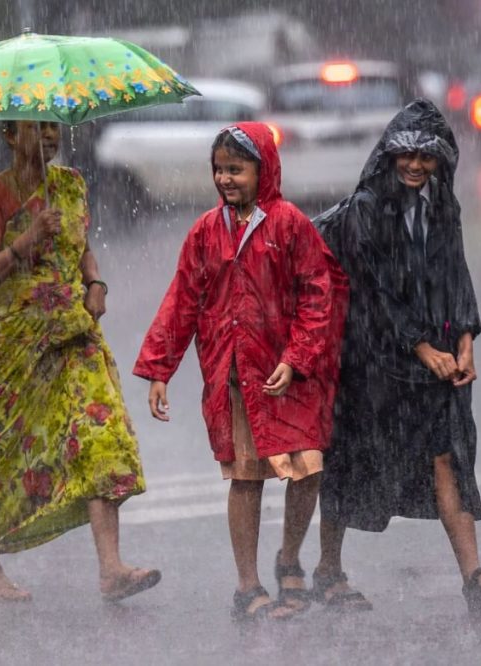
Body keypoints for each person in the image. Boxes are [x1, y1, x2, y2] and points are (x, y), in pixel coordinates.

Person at [312, 99, 481, 613]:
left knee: (447, 455)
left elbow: (456, 273)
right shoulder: (366, 208)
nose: (414, 165)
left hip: (435, 357)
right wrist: (422, 347)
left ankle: (474, 577)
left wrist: (466, 339)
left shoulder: (441, 204)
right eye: (405, 154)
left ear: (440, 162)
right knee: (351, 460)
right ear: (388, 155)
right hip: (373, 361)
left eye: (426, 158)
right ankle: (327, 570)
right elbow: (376, 289)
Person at [134, 123, 347, 620]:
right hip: (236, 377)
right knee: (246, 477)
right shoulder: (206, 232)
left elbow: (319, 295)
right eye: (220, 169)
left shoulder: (290, 224)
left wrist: (296, 359)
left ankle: (289, 557)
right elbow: (182, 301)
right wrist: (160, 368)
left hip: (291, 375)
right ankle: (248, 587)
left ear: (264, 169)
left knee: (307, 468)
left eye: (237, 168)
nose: (226, 179)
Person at [0, 120, 159, 602]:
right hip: (14, 343)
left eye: (55, 126)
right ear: (10, 136)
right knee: (8, 450)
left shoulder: (70, 185)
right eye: (38, 127)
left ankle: (111, 569)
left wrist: (96, 284)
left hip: (72, 331)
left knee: (100, 434)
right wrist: (24, 241)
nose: (50, 135)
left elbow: (82, 250)